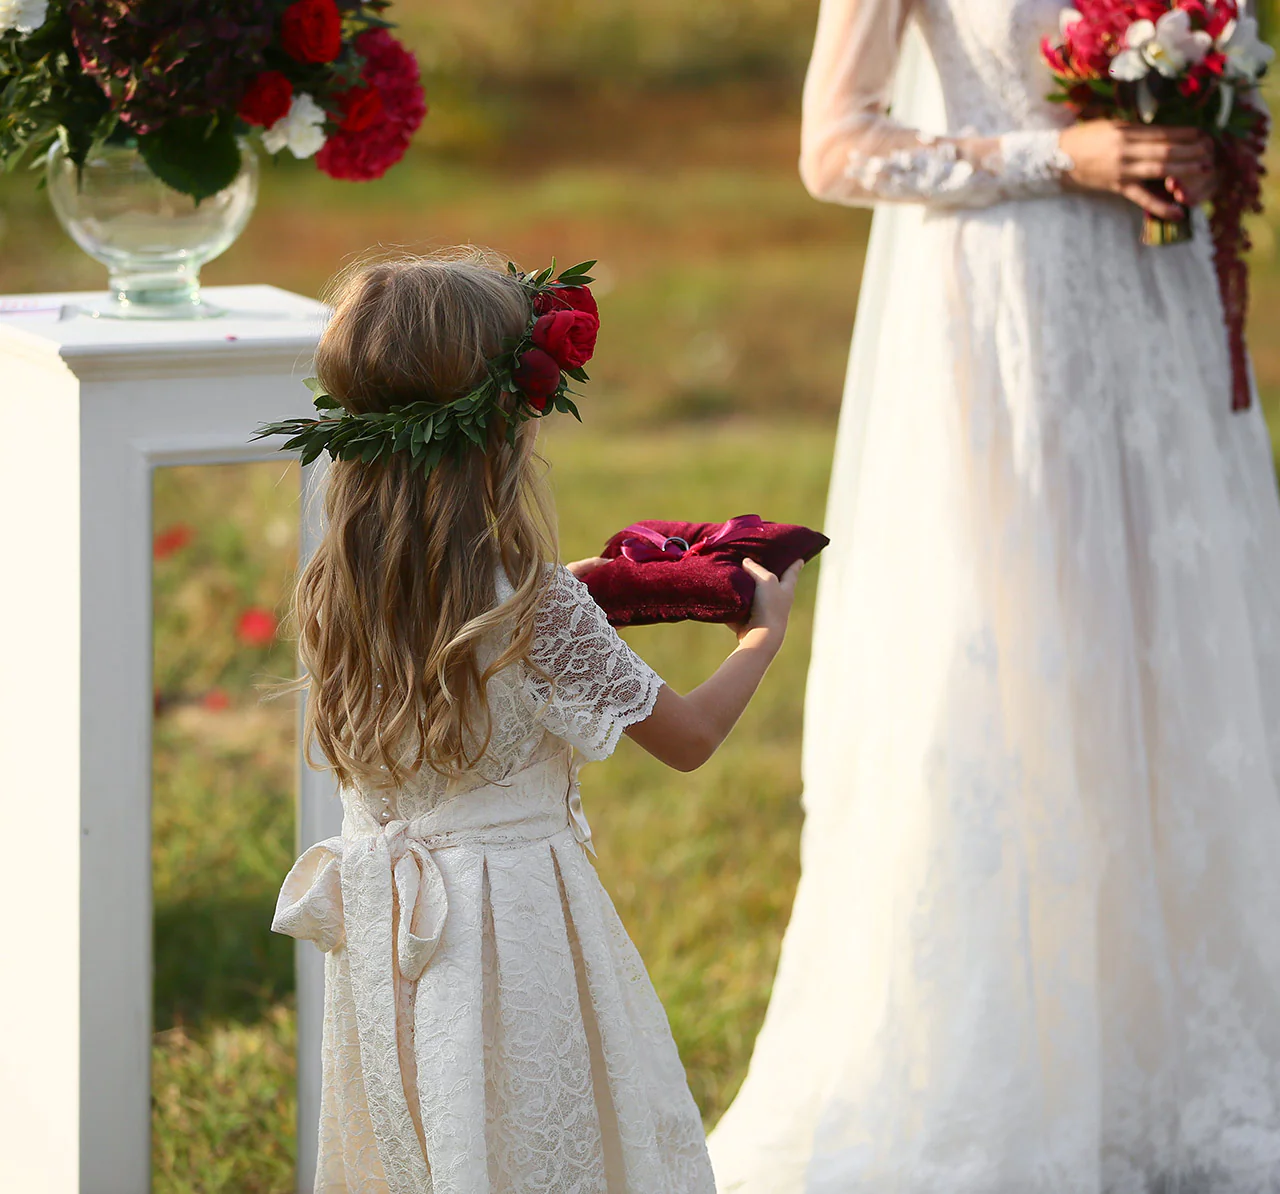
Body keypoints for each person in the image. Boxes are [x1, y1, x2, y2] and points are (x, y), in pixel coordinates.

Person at [708, 0, 1280, 1190]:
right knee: (1025, 652)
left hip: (1153, 309)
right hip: (1003, 312)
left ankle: (1180, 1055)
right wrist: (1053, 156)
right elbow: (833, 147)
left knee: (1173, 656)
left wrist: (1198, 128)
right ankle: (1018, 1057)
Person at [265, 249, 802, 1192]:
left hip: (394, 947)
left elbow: (478, 630)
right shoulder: (535, 610)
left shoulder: (336, 586)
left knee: (435, 1135)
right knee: (538, 1140)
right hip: (514, 938)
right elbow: (686, 740)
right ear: (502, 428)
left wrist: (586, 591)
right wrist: (763, 635)